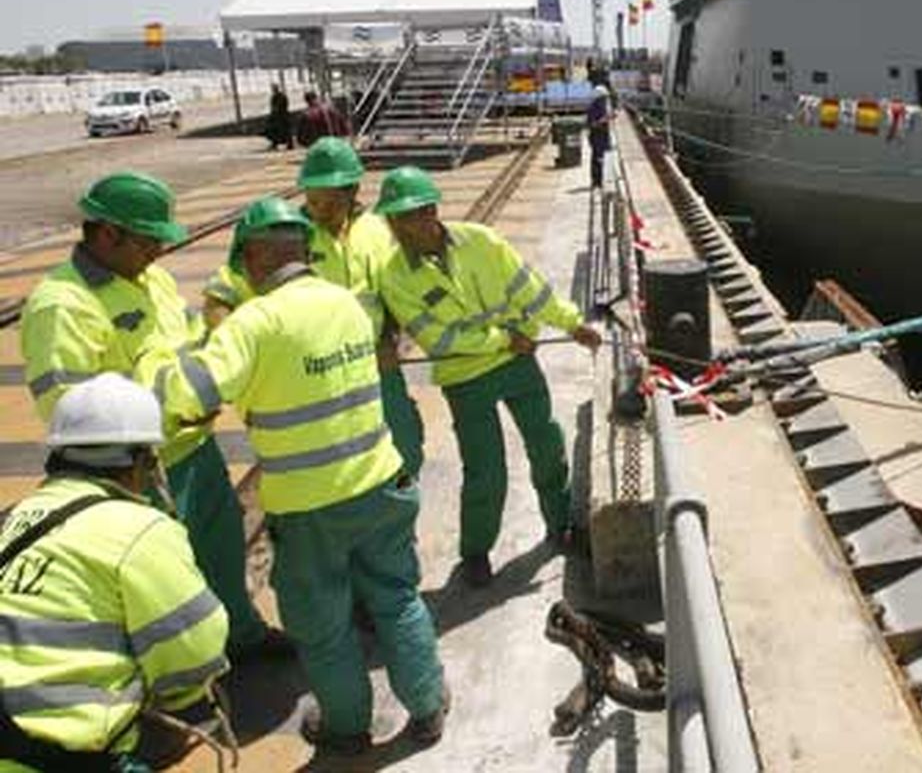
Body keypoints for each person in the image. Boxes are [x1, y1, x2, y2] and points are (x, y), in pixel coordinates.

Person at [139, 198, 448, 754]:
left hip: (309, 508)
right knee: (397, 598)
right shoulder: (345, 303)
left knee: (323, 624)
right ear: (303, 251)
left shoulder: (255, 322)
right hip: (381, 482)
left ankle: (347, 729)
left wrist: (154, 362)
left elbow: (188, 394)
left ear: (255, 258)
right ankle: (427, 708)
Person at [19, 172, 283, 664]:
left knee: (222, 546)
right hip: (138, 470)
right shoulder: (62, 306)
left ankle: (242, 635)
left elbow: (191, 343)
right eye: (147, 241)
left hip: (195, 450)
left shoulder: (151, 279)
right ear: (107, 234)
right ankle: (185, 674)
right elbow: (69, 412)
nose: (158, 251)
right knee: (162, 578)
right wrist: (138, 454)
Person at [373, 166, 603, 587]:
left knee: (546, 444)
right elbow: (438, 339)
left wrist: (571, 324)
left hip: (517, 365)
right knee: (485, 469)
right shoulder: (395, 275)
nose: (401, 228)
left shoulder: (481, 241)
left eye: (408, 216)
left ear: (431, 212)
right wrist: (504, 339)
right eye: (395, 219)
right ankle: (476, 552)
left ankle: (561, 526)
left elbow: (529, 289)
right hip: (466, 378)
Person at [0, 374, 230, 772]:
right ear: (142, 461)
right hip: (60, 752)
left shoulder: (18, 516)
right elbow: (196, 649)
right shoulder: (141, 529)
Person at [200, 138, 428, 478]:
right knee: (332, 464)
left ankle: (399, 500)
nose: (318, 209)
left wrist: (391, 337)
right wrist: (243, 359)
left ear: (353, 191)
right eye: (312, 198)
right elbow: (220, 298)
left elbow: (395, 288)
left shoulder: (376, 230)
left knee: (405, 447)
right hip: (315, 372)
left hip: (375, 366)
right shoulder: (288, 236)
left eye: (329, 201)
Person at [585, 83, 614, 189]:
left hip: (603, 135)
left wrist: (610, 117)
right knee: (597, 159)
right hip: (597, 137)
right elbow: (592, 124)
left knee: (602, 159)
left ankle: (600, 180)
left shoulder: (602, 107)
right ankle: (596, 181)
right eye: (604, 98)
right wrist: (603, 120)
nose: (605, 100)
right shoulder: (593, 108)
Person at [267, 83, 293, 150]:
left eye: (274, 88)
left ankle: (289, 144)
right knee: (276, 131)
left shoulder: (280, 96)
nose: (273, 90)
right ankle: (275, 144)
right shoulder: (276, 96)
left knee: (285, 131)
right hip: (279, 116)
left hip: (282, 116)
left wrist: (274, 112)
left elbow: (279, 106)